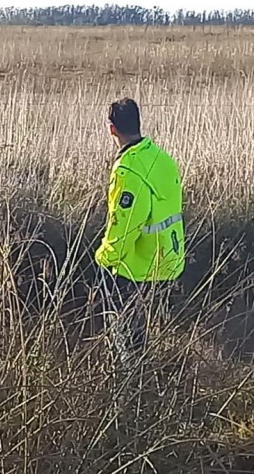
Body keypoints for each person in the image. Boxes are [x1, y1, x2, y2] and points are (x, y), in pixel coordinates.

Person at [94, 97, 186, 360]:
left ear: (111, 129)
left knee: (129, 346)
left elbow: (124, 227)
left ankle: (130, 389)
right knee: (155, 336)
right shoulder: (162, 158)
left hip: (138, 269)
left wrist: (104, 259)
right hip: (170, 260)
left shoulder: (127, 170)